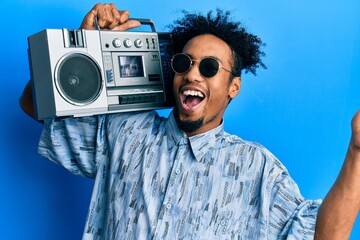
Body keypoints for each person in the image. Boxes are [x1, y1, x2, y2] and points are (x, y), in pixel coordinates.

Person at [20, 3, 360, 240]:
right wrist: (82, 53)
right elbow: (32, 105)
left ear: (233, 88)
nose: (193, 73)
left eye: (210, 68)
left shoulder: (258, 169)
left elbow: (324, 235)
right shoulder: (124, 130)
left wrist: (356, 150)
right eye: (185, 63)